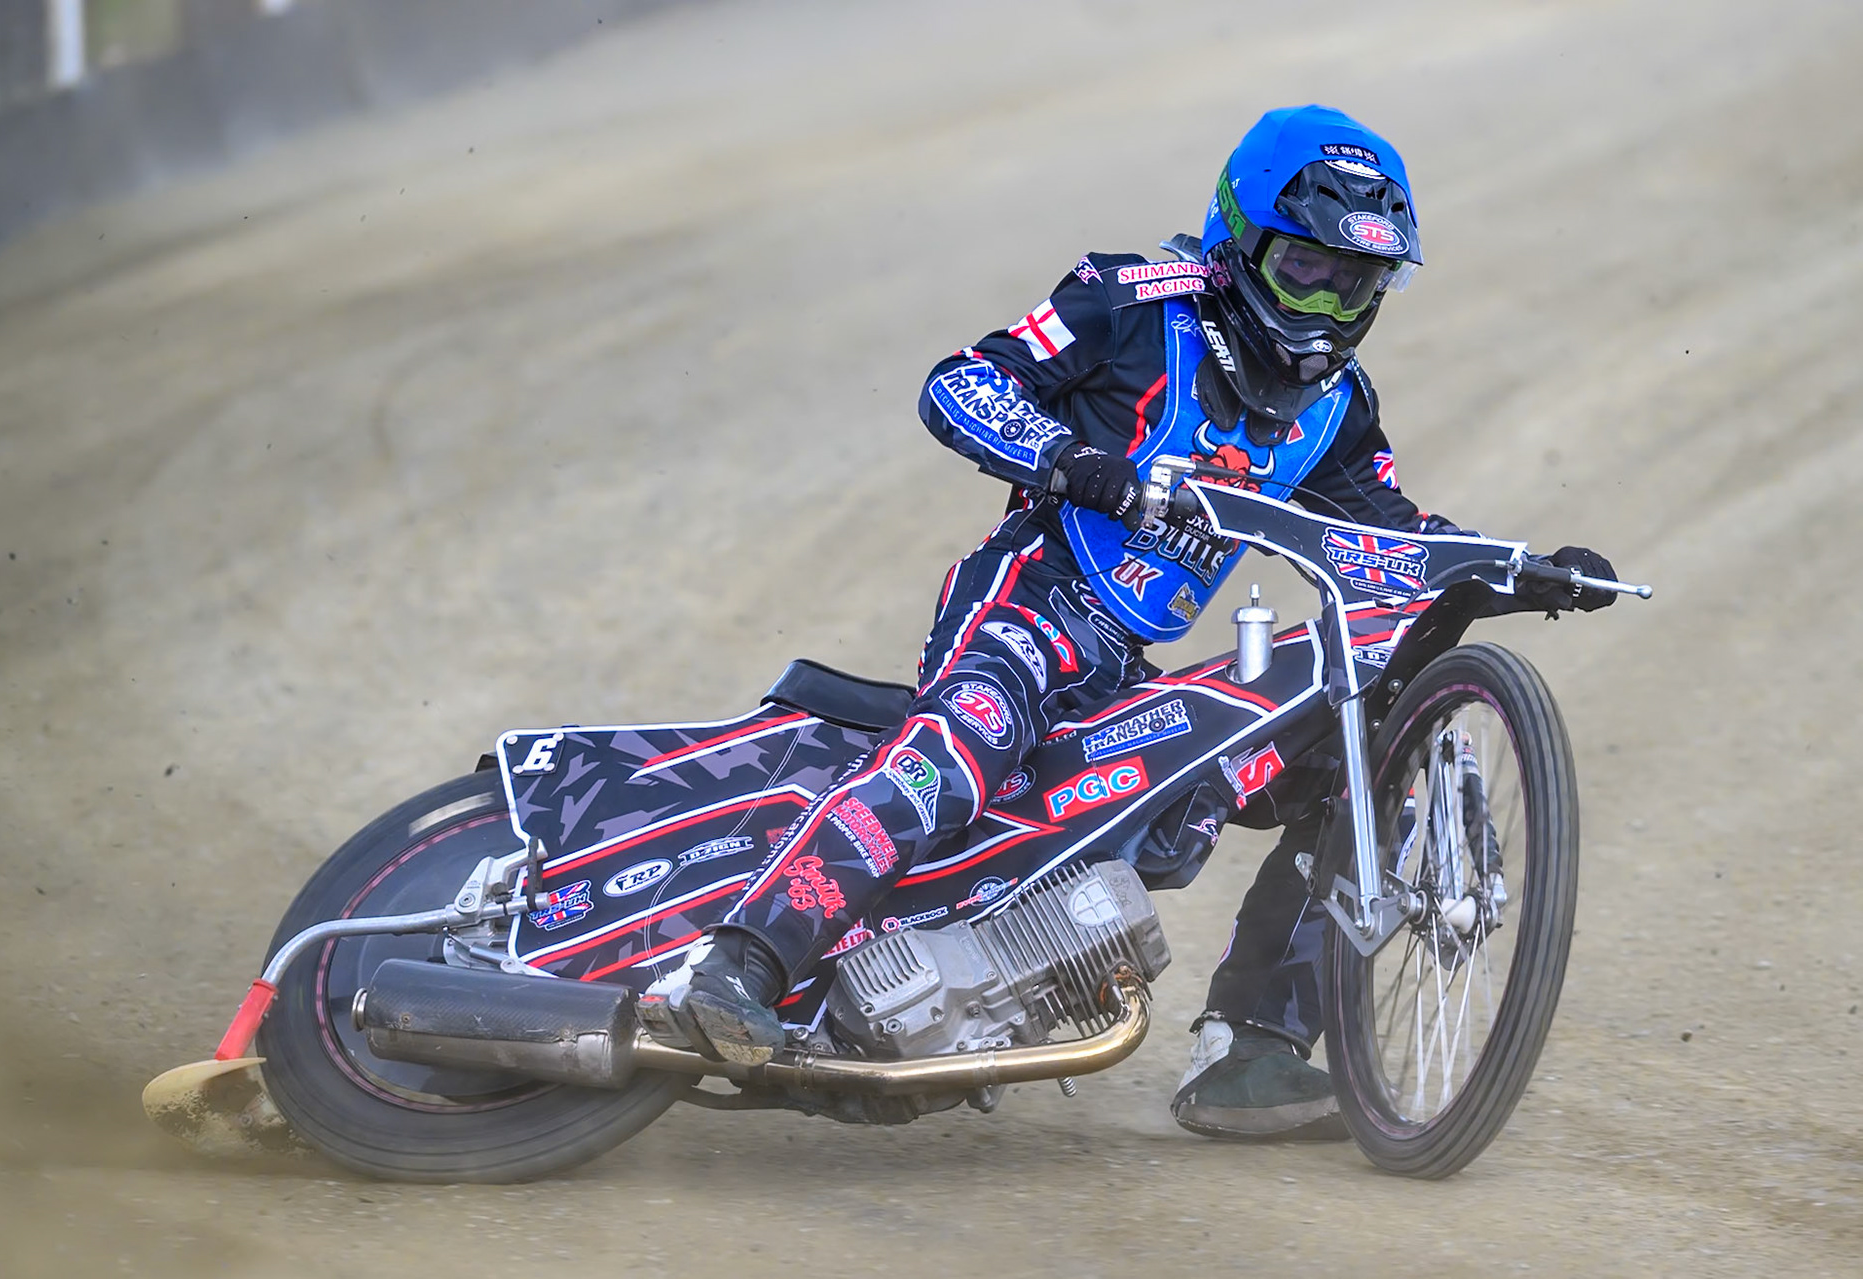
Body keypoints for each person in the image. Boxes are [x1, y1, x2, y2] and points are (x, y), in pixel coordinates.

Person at [647, 105, 1614, 1140]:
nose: (1329, 305)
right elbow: (962, 383)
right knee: (968, 738)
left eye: (1357, 281)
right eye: (1305, 269)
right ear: (1240, 242)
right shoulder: (1130, 299)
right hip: (1025, 600)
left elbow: (1393, 535)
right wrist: (1076, 464)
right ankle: (741, 957)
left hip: (1124, 668)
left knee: (1359, 752)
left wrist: (1516, 568)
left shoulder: (1340, 405)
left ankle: (1252, 1050)